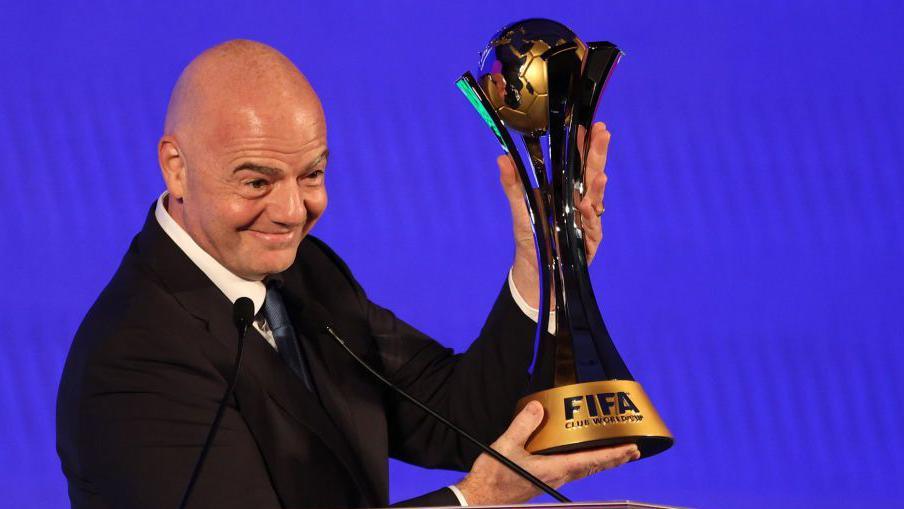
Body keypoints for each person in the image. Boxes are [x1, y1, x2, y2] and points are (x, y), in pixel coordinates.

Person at [56, 39, 639, 509]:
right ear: (176, 169)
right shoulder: (131, 360)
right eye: (257, 182)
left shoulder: (308, 273)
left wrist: (539, 269)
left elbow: (458, 417)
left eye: (311, 175)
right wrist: (473, 502)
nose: (292, 212)